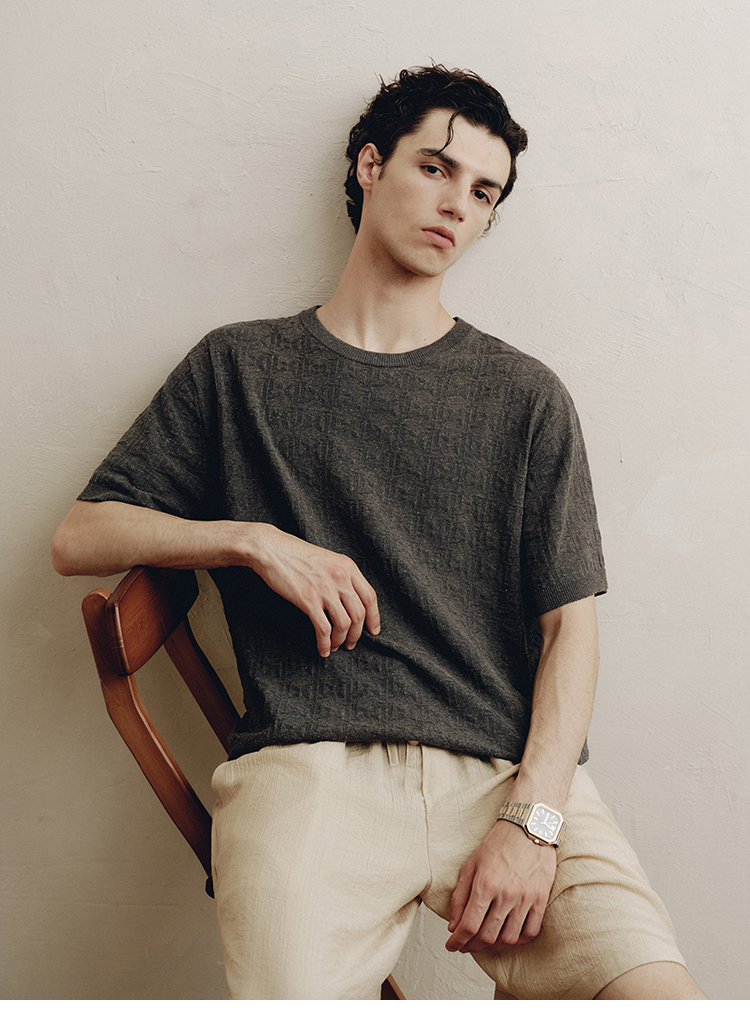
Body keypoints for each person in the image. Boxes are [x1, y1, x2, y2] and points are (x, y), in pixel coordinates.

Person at [52, 65, 706, 1000]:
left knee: (665, 1004)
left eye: (483, 193)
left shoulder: (525, 397)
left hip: (501, 773)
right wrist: (252, 540)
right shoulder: (239, 367)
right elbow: (79, 537)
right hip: (307, 772)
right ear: (370, 165)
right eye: (435, 168)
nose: (457, 205)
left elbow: (572, 629)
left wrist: (534, 822)